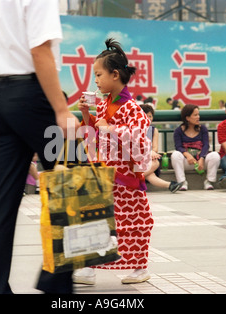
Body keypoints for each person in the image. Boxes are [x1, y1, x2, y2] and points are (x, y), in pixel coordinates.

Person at [0, 0, 80, 294]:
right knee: (72, 182)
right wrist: (61, 109)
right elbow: (40, 50)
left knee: (1, 199)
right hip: (34, 96)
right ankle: (56, 283)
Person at [76, 38, 153, 285]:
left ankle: (139, 267)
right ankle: (89, 268)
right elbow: (93, 134)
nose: (96, 81)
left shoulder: (132, 108)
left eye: (99, 75)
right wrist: (87, 115)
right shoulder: (105, 104)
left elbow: (140, 139)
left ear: (115, 74)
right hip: (107, 173)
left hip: (126, 177)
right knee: (98, 219)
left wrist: (109, 128)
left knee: (136, 223)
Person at [171, 104, 220, 191]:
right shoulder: (178, 131)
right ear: (187, 118)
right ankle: (182, 182)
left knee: (215, 155)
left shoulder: (203, 129)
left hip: (201, 162)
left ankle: (209, 181)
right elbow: (178, 147)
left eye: (198, 114)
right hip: (188, 162)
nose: (198, 117)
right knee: (175, 155)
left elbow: (206, 146)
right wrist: (187, 155)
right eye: (195, 115)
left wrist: (201, 158)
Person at [140, 104, 182, 192]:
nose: (148, 118)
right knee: (152, 168)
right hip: (135, 160)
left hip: (148, 159)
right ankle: (170, 185)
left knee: (154, 163)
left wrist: (150, 152)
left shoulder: (153, 130)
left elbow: (155, 149)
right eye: (145, 116)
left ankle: (170, 185)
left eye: (150, 116)